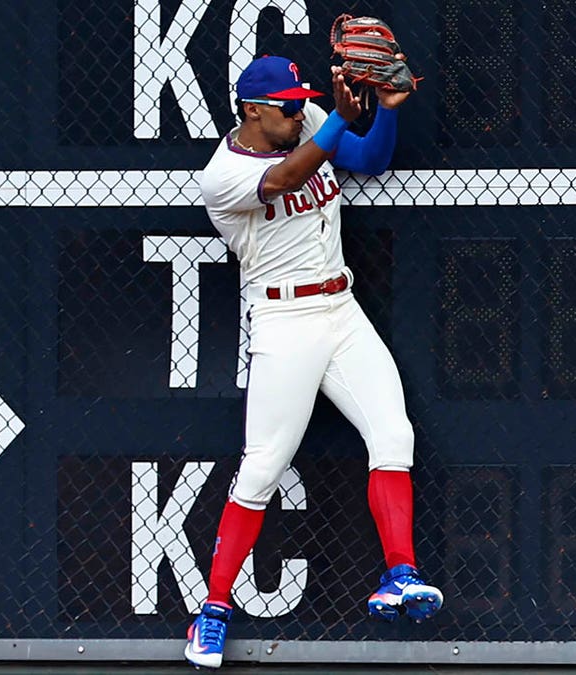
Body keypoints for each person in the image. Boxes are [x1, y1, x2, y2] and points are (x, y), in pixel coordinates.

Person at [183, 55, 443, 669]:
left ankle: (400, 575)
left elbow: (368, 160)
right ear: (251, 110)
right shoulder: (222, 174)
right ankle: (213, 611)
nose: (300, 111)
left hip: (341, 308)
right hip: (284, 322)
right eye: (287, 105)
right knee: (263, 467)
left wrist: (382, 115)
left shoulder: (307, 125)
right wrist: (334, 125)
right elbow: (286, 179)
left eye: (304, 100)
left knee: (393, 433)